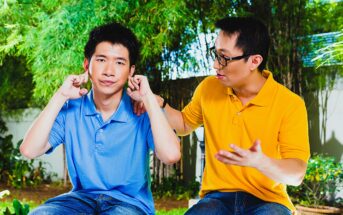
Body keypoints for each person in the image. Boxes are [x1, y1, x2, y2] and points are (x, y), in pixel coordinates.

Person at [131, 17, 310, 214]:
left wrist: (260, 162)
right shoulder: (209, 88)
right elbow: (183, 123)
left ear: (254, 61)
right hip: (217, 199)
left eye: (224, 58)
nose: (216, 65)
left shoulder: (289, 104)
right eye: (215, 54)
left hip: (268, 201)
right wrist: (157, 103)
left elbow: (296, 175)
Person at [20, 22, 180, 215]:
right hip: (79, 200)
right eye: (102, 60)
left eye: (120, 62)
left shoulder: (143, 110)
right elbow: (29, 150)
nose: (109, 71)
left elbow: (171, 156)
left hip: (128, 204)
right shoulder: (71, 109)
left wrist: (149, 99)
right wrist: (60, 95)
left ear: (131, 71)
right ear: (87, 64)